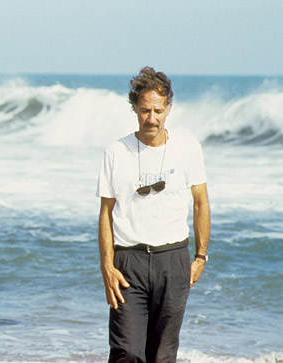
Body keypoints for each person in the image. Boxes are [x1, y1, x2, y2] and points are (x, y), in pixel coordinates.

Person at [96, 67, 210, 363]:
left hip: (172, 260)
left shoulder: (187, 148)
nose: (152, 118)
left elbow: (200, 203)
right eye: (145, 110)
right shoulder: (116, 152)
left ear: (168, 109)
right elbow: (106, 213)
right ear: (134, 107)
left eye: (158, 111)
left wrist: (200, 256)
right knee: (127, 353)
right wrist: (107, 266)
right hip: (128, 262)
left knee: (162, 356)